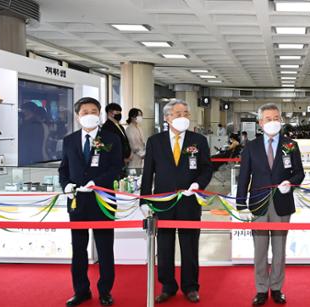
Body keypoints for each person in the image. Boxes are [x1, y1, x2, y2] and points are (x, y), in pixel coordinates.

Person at [140, 100, 213, 304]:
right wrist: (145, 199)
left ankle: (190, 287)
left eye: (186, 113)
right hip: (163, 202)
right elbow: (148, 173)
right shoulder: (155, 141)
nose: (183, 117)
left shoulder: (198, 140)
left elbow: (207, 168)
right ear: (167, 118)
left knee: (189, 246)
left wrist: (198, 184)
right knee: (164, 246)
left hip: (189, 201)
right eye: (178, 113)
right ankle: (168, 286)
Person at [236, 103, 305, 306]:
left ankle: (276, 287)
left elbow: (299, 172)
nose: (273, 122)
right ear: (260, 122)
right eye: (268, 118)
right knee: (259, 249)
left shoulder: (291, 144)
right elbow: (243, 177)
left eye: (276, 118)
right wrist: (241, 205)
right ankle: (260, 289)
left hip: (282, 203)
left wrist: (290, 184)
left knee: (279, 248)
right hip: (258, 203)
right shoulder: (251, 147)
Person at [58, 97, 123, 306]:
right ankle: (81, 290)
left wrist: (97, 182)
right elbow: (63, 169)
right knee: (78, 248)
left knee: (105, 248)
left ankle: (105, 291)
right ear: (77, 117)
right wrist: (66, 184)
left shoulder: (111, 138)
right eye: (84, 111)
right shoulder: (69, 140)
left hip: (103, 200)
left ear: (100, 114)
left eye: (94, 111)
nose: (89, 114)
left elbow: (117, 170)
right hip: (77, 202)